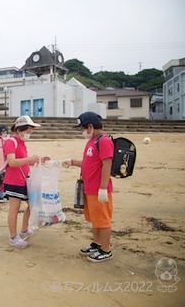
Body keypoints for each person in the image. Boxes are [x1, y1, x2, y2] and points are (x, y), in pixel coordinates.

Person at [63, 111, 114, 262]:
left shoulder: (104, 140)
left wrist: (103, 187)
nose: (82, 131)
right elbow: (88, 163)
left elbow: (107, 163)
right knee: (95, 219)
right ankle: (97, 243)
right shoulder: (91, 141)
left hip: (99, 189)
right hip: (89, 188)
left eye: (82, 128)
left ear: (90, 126)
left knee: (103, 220)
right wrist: (72, 161)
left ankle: (106, 249)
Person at [4, 116, 50, 248]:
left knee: (31, 204)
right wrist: (29, 158)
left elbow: (25, 161)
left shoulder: (21, 143)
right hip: (13, 181)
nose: (29, 135)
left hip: (24, 179)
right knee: (15, 208)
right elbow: (12, 162)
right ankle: (13, 237)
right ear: (19, 130)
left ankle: (23, 231)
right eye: (28, 132)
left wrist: (40, 160)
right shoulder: (11, 142)